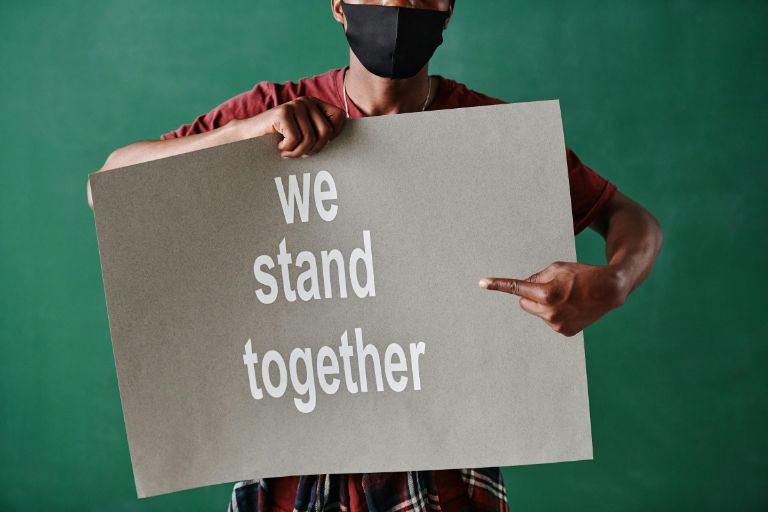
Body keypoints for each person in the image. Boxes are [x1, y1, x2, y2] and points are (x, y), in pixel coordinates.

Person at [87, 1, 663, 510]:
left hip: (442, 457)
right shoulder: (272, 110)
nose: (397, 5)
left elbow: (632, 220)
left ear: (447, 8)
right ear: (339, 5)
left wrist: (614, 282)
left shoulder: (489, 134)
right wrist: (240, 135)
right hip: (288, 453)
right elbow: (108, 185)